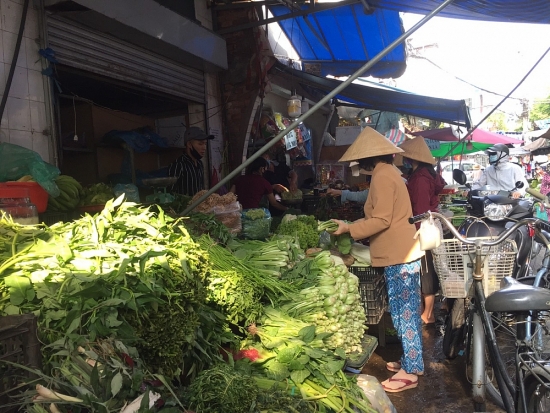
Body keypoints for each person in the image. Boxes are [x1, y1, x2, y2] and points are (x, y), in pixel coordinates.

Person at [331, 127, 424, 393]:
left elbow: (381, 220)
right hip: (400, 250)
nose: (358, 166)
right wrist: (351, 225)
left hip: (399, 254)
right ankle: (411, 359)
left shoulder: (383, 176)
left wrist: (349, 229)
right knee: (404, 311)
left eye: (359, 162)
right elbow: (382, 217)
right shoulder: (389, 173)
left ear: (368, 159)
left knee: (404, 313)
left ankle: (412, 372)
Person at [399, 137, 446, 326]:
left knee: (426, 270)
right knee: (430, 269)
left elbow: (420, 209)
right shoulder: (426, 174)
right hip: (431, 225)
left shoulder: (420, 179)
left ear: (414, 158)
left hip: (424, 227)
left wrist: (415, 233)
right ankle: (428, 312)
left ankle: (428, 314)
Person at [168, 127, 214, 196]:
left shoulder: (199, 164)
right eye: (200, 144)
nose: (204, 147)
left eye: (205, 144)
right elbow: (170, 193)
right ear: (189, 144)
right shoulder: (179, 165)